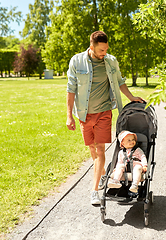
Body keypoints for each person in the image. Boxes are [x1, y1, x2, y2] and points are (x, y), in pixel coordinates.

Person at [66, 31, 144, 205]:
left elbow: (119, 81)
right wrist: (69, 116)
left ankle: (95, 191)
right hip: (84, 114)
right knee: (92, 150)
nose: (104, 53)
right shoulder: (77, 61)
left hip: (104, 112)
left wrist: (131, 98)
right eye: (101, 50)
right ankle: (102, 174)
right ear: (91, 47)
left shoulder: (110, 61)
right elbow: (71, 89)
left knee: (100, 150)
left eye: (106, 49)